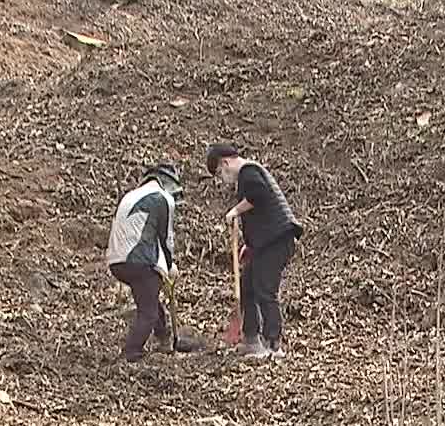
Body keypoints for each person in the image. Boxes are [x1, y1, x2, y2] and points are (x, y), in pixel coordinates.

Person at [205, 143, 303, 361]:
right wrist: (249, 245)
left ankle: (273, 345)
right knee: (248, 285)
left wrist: (234, 211)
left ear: (226, 162)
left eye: (220, 173)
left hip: (278, 240)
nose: (222, 179)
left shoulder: (249, 172)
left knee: (265, 289)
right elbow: (260, 215)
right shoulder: (247, 176)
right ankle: (251, 339)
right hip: (265, 242)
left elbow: (259, 195)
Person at [105, 162, 197, 361]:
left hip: (116, 260)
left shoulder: (131, 195)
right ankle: (132, 351)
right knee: (148, 312)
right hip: (139, 260)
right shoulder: (162, 198)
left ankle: (165, 338)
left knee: (150, 300)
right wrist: (170, 265)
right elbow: (166, 237)